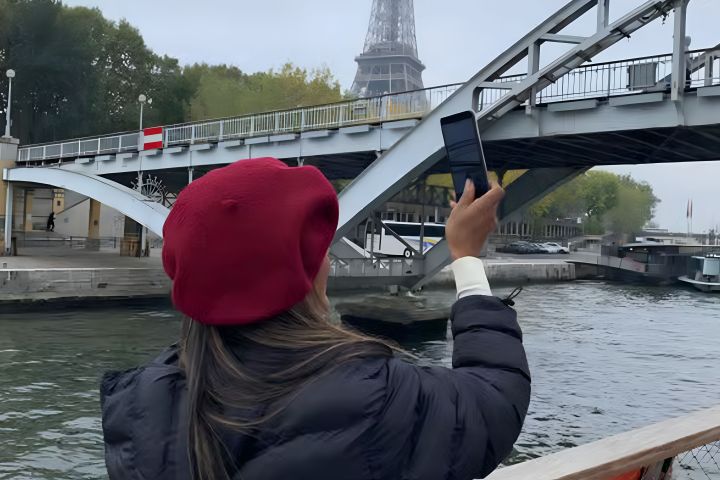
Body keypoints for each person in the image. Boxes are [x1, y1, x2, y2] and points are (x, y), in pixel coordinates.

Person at [100, 157, 531, 480]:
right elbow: (494, 399)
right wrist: (466, 260)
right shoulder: (373, 398)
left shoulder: (139, 407)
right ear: (305, 272)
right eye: (318, 249)